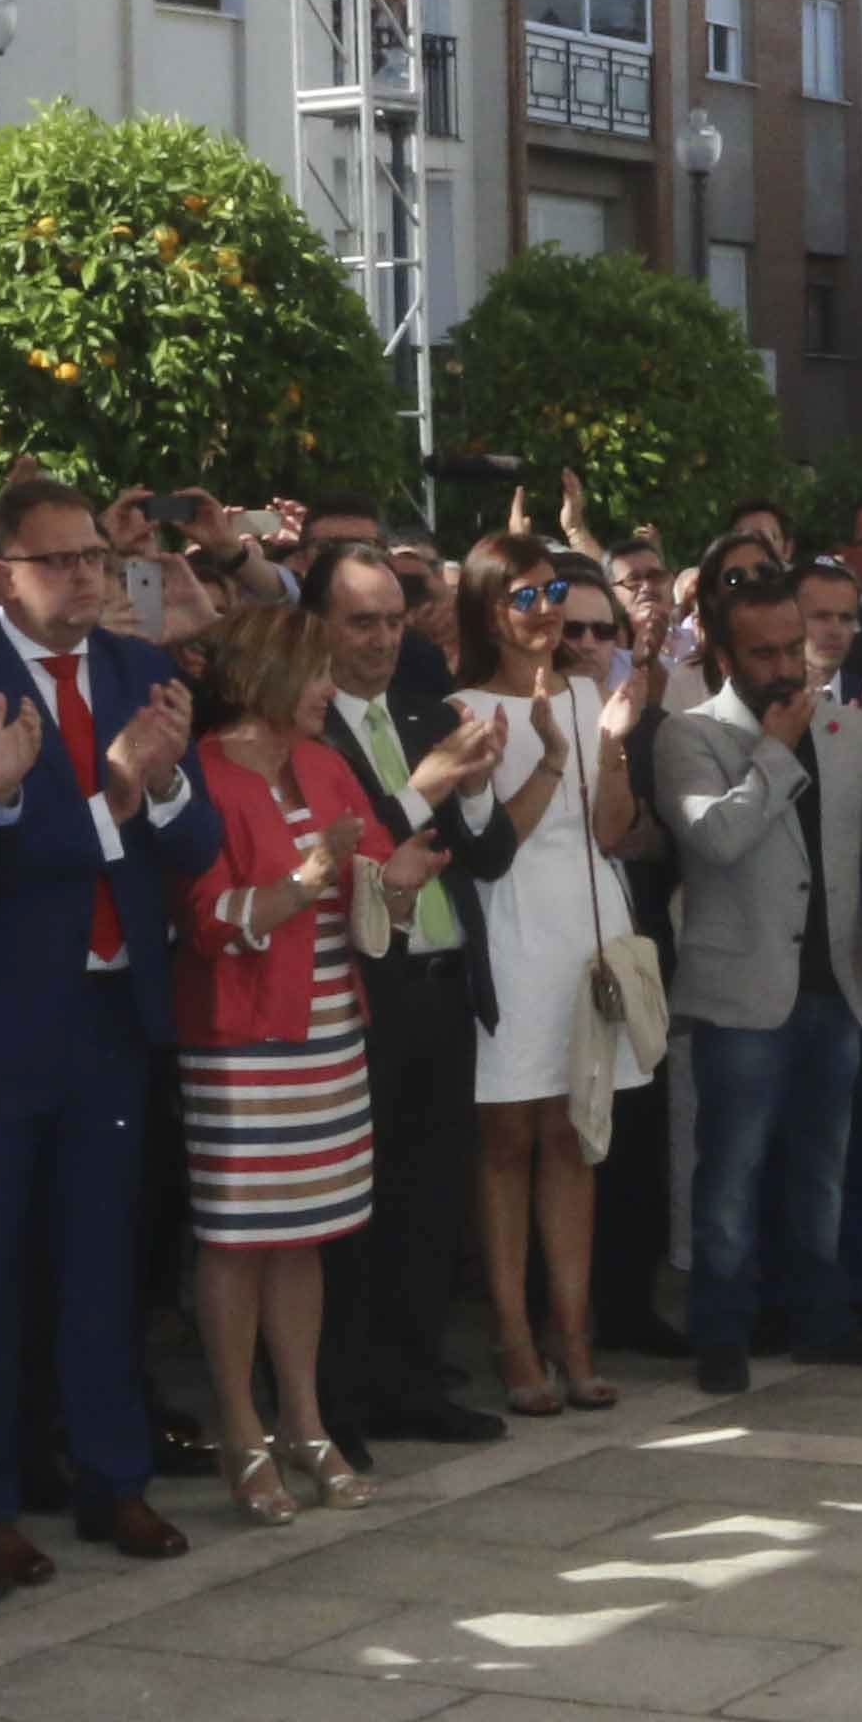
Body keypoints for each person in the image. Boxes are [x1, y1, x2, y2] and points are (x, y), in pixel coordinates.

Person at [0, 480, 221, 1572]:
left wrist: (167, 785)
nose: (86, 575)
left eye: (94, 556)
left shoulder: (140, 670)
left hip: (113, 1010)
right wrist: (113, 795)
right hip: (0, 1019)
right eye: (59, 560)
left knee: (103, 1259)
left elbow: (196, 838)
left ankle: (113, 1480)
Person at [650, 570, 862, 1391]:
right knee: (728, 1172)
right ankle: (722, 1332)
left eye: (789, 648)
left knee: (821, 1167)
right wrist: (773, 750)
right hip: (740, 996)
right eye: (760, 653)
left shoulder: (844, 727)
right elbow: (716, 839)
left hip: (834, 985)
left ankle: (820, 1319)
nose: (781, 667)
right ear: (721, 654)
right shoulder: (687, 736)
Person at [172, 599, 389, 1517]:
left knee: (302, 1238)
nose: (328, 688)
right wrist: (300, 885)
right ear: (265, 675)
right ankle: (239, 1428)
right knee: (237, 1239)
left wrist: (404, 871)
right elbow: (205, 921)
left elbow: (377, 868)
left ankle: (305, 1423)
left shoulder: (326, 763)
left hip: (331, 1033)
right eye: (315, 672)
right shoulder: (204, 776)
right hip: (240, 1043)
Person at [313, 547, 510, 1444]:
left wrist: (469, 793)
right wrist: (424, 785)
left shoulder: (429, 710)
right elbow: (339, 853)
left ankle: (417, 1380)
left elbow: (492, 851)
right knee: (358, 1201)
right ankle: (344, 1397)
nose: (384, 639)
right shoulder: (309, 730)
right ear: (320, 628)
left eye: (395, 620)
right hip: (363, 990)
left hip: (443, 981)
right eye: (363, 621)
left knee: (432, 1198)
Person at [451, 543, 650, 1413]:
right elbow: (490, 850)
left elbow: (612, 830)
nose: (542, 609)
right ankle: (515, 1335)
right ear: (488, 607)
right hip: (512, 924)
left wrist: (609, 749)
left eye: (553, 592)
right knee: (508, 1144)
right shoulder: (460, 707)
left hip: (587, 920)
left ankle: (574, 1334)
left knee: (577, 1134)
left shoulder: (587, 691)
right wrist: (544, 755)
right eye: (522, 595)